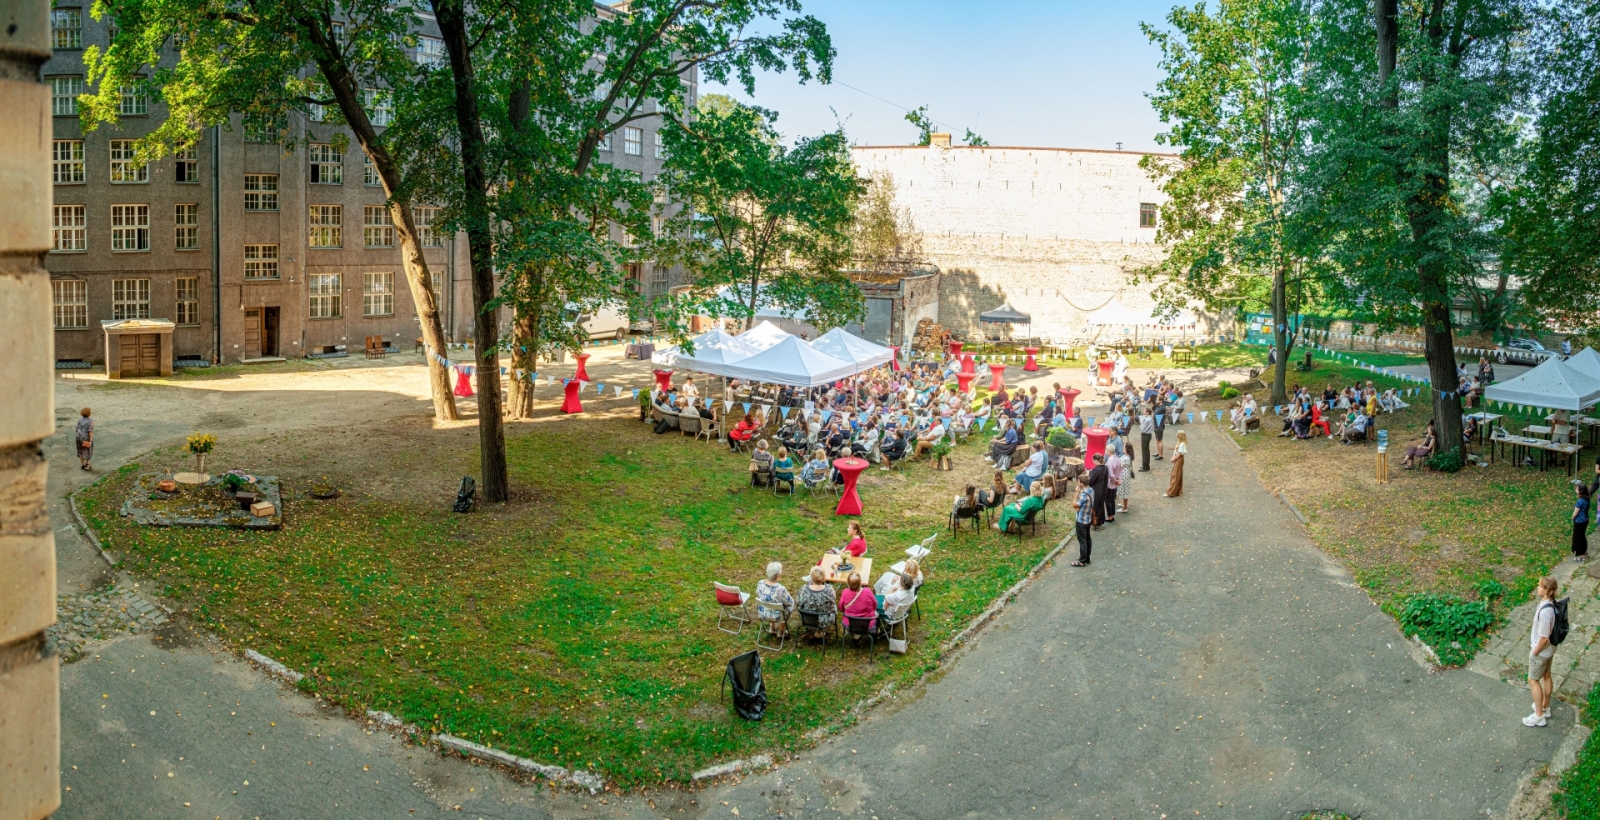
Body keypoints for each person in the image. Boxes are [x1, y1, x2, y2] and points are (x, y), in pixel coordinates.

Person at [1526, 577, 1560, 727]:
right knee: (1546, 676)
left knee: (1533, 680)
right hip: (1550, 651)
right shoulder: (1550, 605)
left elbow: (1544, 638)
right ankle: (1545, 707)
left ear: (1547, 591)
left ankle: (1539, 715)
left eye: (1540, 586)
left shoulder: (1546, 612)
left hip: (1541, 652)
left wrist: (1535, 652)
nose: (1537, 588)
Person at [755, 562, 795, 637]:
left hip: (764, 613)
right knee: (789, 606)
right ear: (778, 575)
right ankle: (781, 631)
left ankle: (771, 627)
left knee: (769, 602)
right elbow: (789, 602)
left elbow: (759, 595)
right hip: (777, 616)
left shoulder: (760, 583)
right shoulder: (780, 589)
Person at [796, 566, 838, 631]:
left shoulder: (804, 590)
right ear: (824, 578)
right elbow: (833, 600)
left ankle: (812, 630)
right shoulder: (829, 590)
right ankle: (822, 631)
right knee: (834, 606)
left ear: (811, 578)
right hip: (824, 621)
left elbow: (798, 602)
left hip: (807, 619)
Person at [1071, 473, 1094, 566]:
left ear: (1081, 483)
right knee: (1088, 538)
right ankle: (1087, 557)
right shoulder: (1091, 490)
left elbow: (1074, 505)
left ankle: (1081, 561)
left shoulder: (1083, 495)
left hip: (1081, 520)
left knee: (1082, 540)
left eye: (1078, 481)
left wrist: (1076, 494)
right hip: (1088, 518)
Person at [1087, 453, 1110, 529]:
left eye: (1093, 460)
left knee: (1095, 507)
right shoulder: (1105, 468)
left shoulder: (1096, 470)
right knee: (1101, 506)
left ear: (1095, 460)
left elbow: (1090, 481)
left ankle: (1095, 523)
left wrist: (1088, 474)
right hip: (1103, 489)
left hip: (1096, 490)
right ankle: (1100, 522)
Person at [1165, 429, 1187, 497]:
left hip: (1179, 459)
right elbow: (1176, 452)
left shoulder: (1182, 445)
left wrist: (1173, 459)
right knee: (1178, 474)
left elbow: (1179, 454)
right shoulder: (1180, 443)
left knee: (1175, 475)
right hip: (1178, 459)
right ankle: (1178, 490)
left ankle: (1171, 492)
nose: (1176, 435)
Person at [1115, 440, 1135, 513]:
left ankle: (1125, 507)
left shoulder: (1126, 458)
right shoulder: (1125, 456)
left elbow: (1119, 464)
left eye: (1124, 447)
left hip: (1124, 476)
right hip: (1123, 475)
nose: (1123, 448)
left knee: (1125, 491)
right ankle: (1124, 503)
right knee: (1123, 489)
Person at [1575, 485, 1591, 562]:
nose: (1575, 490)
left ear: (1580, 491)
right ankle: (1585, 552)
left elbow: (1575, 513)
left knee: (1579, 538)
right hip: (1585, 520)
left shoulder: (1580, 501)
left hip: (1579, 521)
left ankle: (1582, 556)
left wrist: (1572, 517)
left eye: (1577, 489)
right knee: (1582, 536)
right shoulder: (1587, 499)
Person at [1138, 406, 1154, 471]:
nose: (1143, 412)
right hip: (1147, 435)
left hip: (1145, 435)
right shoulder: (1148, 418)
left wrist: (1141, 427)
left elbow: (1142, 428)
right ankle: (1146, 465)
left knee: (1145, 451)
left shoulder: (1147, 420)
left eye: (1144, 411)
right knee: (1146, 450)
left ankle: (1145, 466)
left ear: (1147, 413)